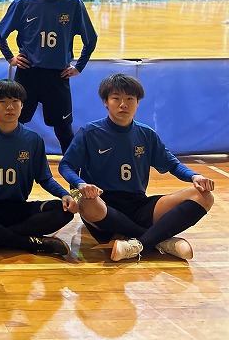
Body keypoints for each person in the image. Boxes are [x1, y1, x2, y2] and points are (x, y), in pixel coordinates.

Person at [59, 74, 215, 261]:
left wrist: (194, 177)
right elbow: (66, 165)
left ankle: (138, 244)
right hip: (102, 204)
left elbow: (172, 164)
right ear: (105, 102)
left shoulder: (146, 134)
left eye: (129, 99)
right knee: (86, 201)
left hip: (138, 204)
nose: (123, 104)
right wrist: (81, 184)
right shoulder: (90, 132)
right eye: (116, 98)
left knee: (204, 196)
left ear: (138, 103)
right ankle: (159, 240)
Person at [0, 80, 76, 256]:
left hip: (19, 208)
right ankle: (29, 242)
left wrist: (64, 194)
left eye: (15, 101)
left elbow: (44, 178)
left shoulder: (33, 139)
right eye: (3, 102)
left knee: (64, 211)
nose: (10, 107)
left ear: (22, 105)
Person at [0, 0, 97, 154]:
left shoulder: (73, 4)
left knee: (64, 129)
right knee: (15, 124)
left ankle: (73, 171)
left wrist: (79, 67)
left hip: (57, 76)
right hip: (28, 74)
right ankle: (12, 162)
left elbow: (90, 39)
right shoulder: (22, 3)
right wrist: (11, 58)